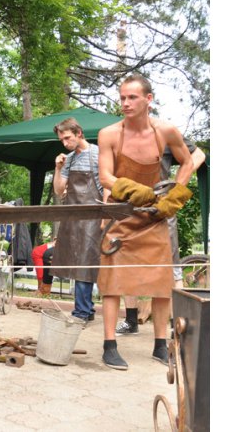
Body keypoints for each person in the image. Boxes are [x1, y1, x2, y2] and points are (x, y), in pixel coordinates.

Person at [97, 73, 194, 370]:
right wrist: (133, 191)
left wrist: (174, 195)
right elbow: (106, 177)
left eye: (132, 97)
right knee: (113, 283)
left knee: (161, 284)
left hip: (155, 217)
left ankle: (160, 345)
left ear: (148, 99)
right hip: (121, 217)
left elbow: (188, 161)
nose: (125, 103)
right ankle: (109, 346)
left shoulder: (165, 131)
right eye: (122, 97)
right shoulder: (109, 134)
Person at [115, 139, 205, 335]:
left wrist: (175, 190)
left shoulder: (165, 135)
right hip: (133, 211)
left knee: (172, 269)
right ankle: (131, 321)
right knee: (128, 268)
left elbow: (198, 156)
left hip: (162, 210)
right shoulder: (123, 137)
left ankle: (178, 324)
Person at [51, 118, 102, 322]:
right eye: (61, 140)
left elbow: (106, 185)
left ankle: (81, 312)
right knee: (74, 261)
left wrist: (104, 217)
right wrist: (57, 168)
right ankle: (86, 309)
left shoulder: (99, 154)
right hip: (72, 215)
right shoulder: (68, 159)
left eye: (67, 138)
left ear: (79, 133)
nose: (65, 143)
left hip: (93, 214)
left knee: (84, 261)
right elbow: (58, 190)